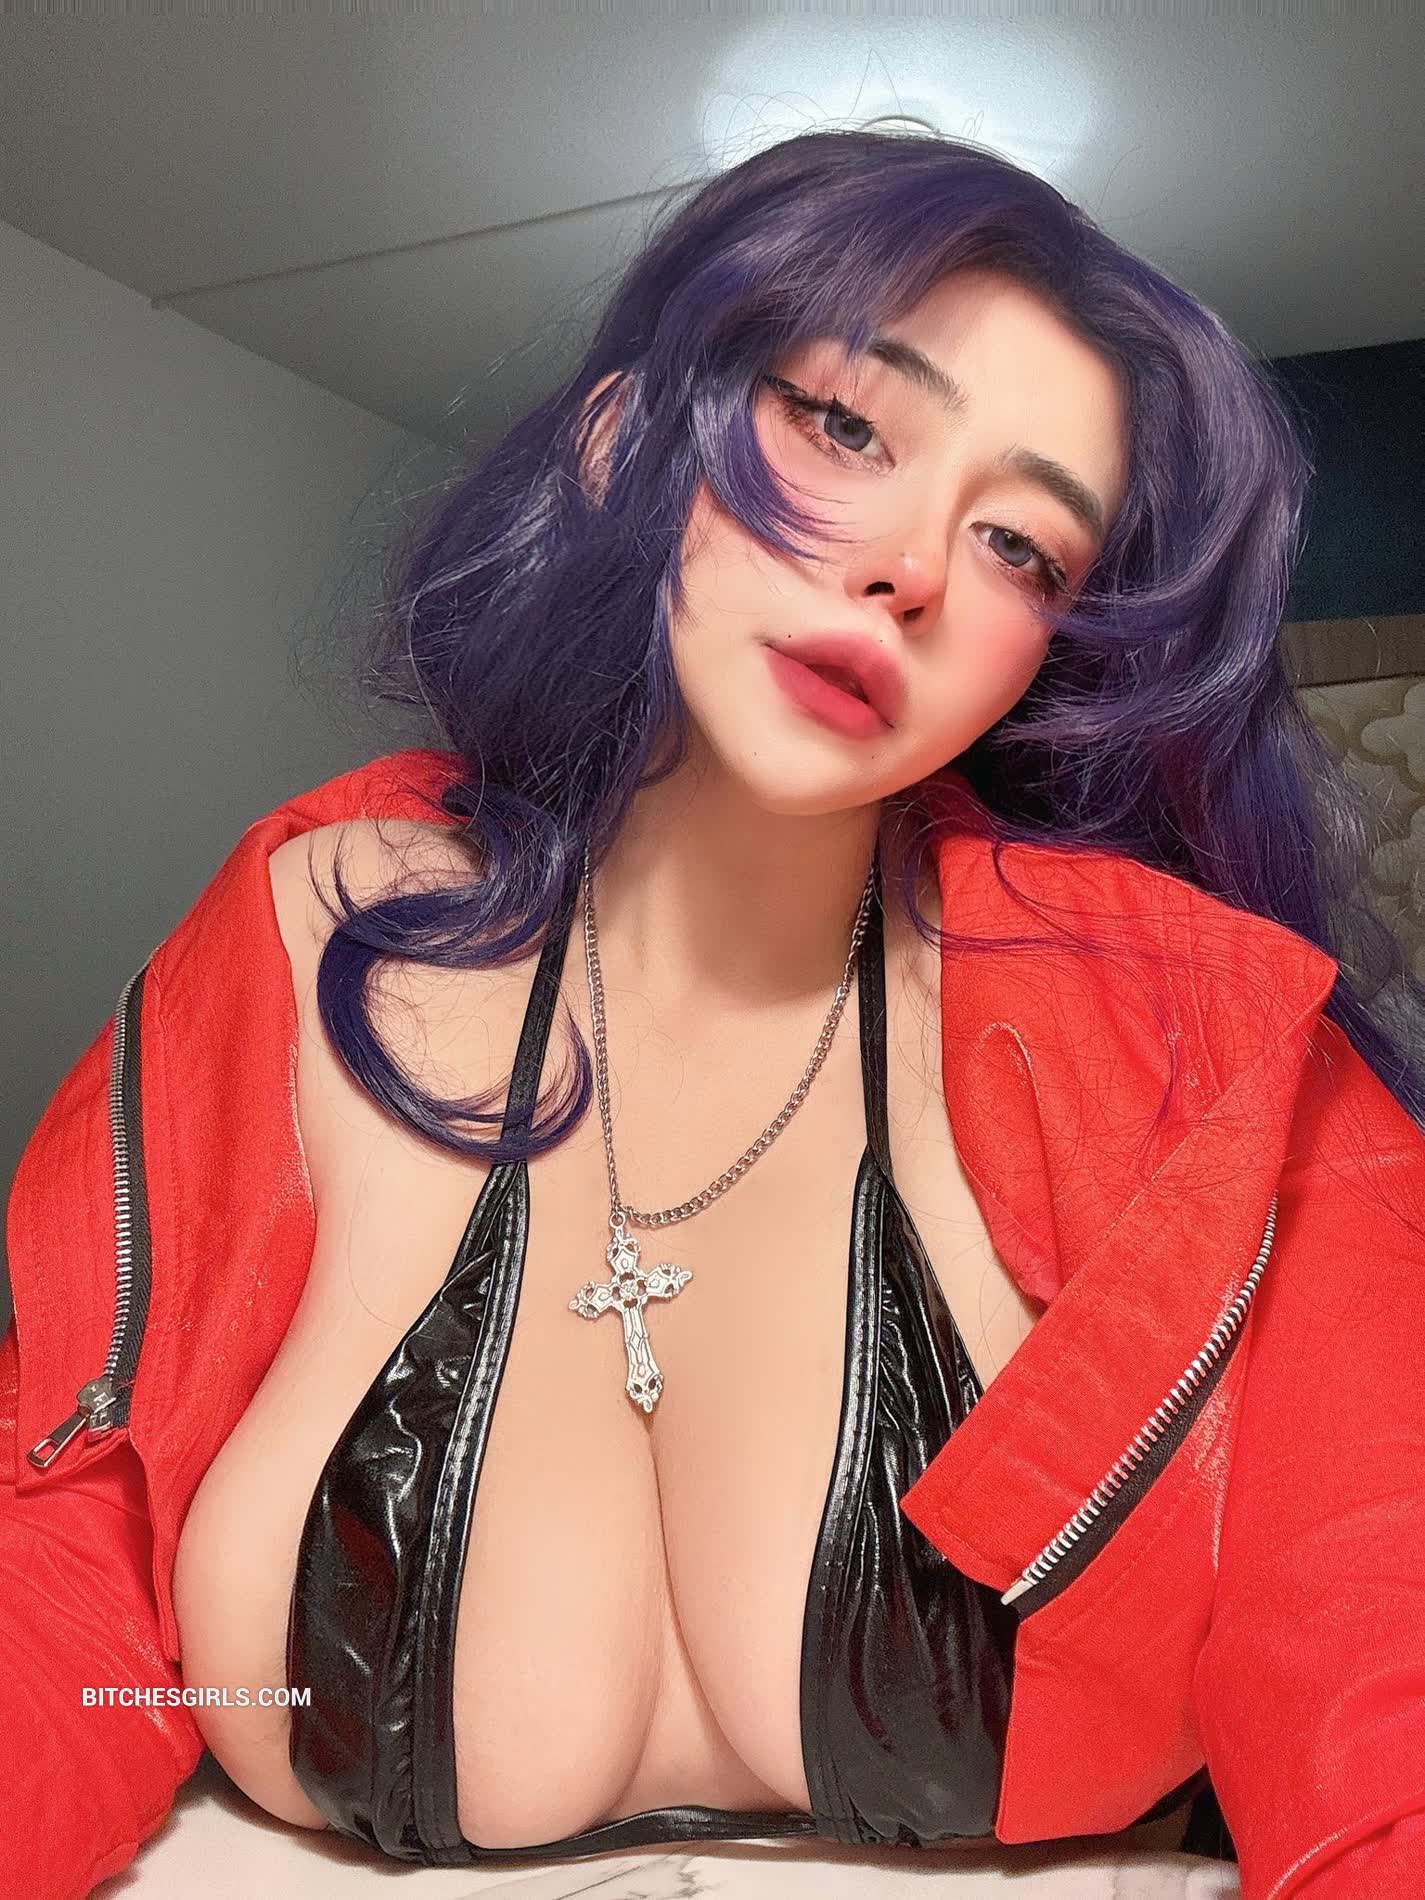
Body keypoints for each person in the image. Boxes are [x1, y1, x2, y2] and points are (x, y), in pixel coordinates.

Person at [4, 128, 1424, 1900]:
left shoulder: (1203, 1044)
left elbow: (1377, 1673)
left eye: (1019, 544)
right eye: (846, 428)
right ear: (624, 443)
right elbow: (66, 1555)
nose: (911, 566)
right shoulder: (314, 928)